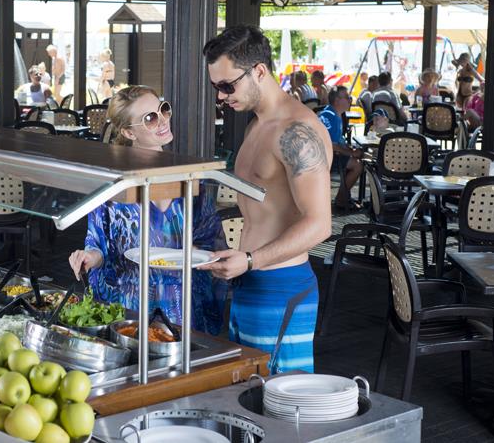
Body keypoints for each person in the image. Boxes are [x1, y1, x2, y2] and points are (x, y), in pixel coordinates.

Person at [199, 25, 332, 374]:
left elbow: (320, 225)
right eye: (216, 87)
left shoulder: (298, 132)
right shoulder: (255, 125)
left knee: (281, 398)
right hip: (249, 280)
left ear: (259, 71)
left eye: (228, 86)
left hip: (280, 286)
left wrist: (251, 259)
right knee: (248, 389)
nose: (221, 96)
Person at [68, 86, 224, 334]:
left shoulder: (192, 178)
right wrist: (88, 257)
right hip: (131, 304)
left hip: (183, 303)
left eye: (163, 110)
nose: (162, 121)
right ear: (129, 132)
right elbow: (98, 244)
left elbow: (210, 239)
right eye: (150, 118)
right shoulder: (114, 185)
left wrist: (197, 253)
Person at [318, 88, 363, 210]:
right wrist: (351, 152)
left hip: (327, 155)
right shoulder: (331, 117)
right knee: (357, 165)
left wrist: (350, 149)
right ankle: (341, 199)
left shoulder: (333, 114)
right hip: (323, 158)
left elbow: (338, 141)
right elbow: (331, 145)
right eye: (347, 97)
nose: (350, 100)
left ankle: (343, 197)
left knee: (357, 159)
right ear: (337, 100)